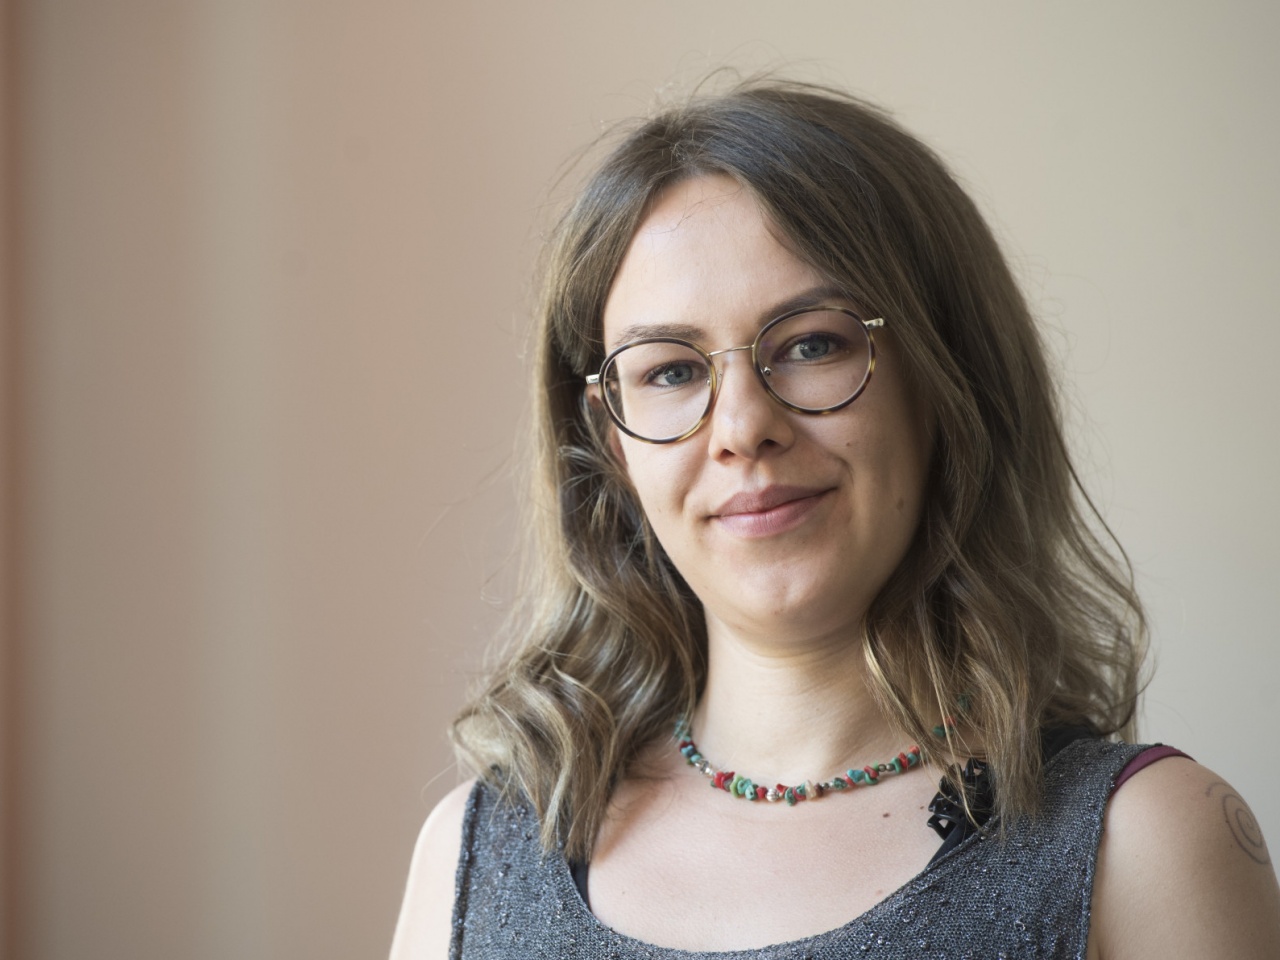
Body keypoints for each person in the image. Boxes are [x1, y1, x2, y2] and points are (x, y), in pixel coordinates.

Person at [390, 81, 1280, 958]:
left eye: (812, 344)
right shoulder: (472, 858)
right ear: (609, 442)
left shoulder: (1146, 846)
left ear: (947, 379)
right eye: (670, 370)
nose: (743, 428)